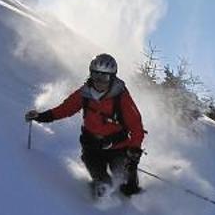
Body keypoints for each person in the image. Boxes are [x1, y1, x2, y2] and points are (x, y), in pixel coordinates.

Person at [25, 54, 147, 199]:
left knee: (124, 181)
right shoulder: (84, 94)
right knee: (102, 181)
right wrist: (41, 116)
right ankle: (100, 205)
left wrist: (134, 151)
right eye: (96, 76)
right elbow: (65, 109)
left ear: (112, 77)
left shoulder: (121, 98)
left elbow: (136, 126)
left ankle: (131, 199)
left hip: (118, 149)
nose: (100, 82)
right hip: (92, 148)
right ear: (91, 74)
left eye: (105, 77)